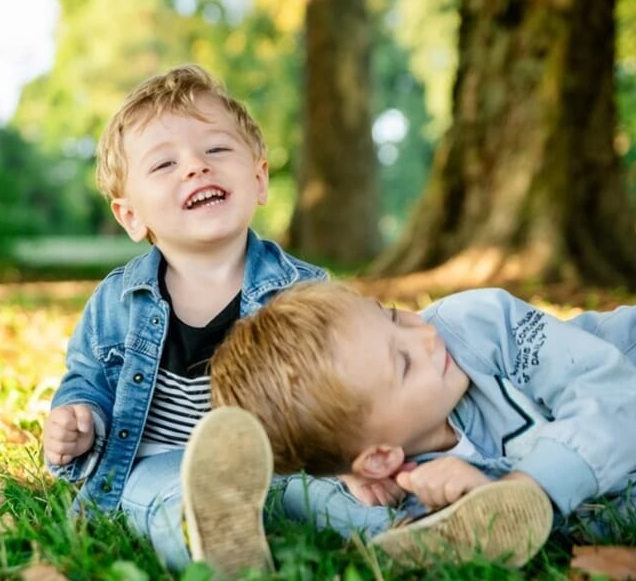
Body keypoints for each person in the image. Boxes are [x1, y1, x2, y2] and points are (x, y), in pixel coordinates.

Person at [41, 64, 385, 576]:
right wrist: (77, 418)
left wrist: (352, 459)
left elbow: (348, 383)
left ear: (259, 177)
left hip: (277, 463)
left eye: (217, 150)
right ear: (131, 216)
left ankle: (413, 532)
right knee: (170, 499)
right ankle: (213, 546)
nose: (196, 168)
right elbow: (87, 377)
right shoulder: (117, 300)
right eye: (164, 165)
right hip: (159, 462)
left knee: (334, 496)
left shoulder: (304, 289)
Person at [210, 282, 636, 565]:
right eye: (405, 363)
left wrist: (529, 485)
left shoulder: (475, 325)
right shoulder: (404, 474)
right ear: (380, 456)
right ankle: (244, 520)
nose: (425, 336)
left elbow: (613, 395)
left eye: (394, 316)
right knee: (366, 511)